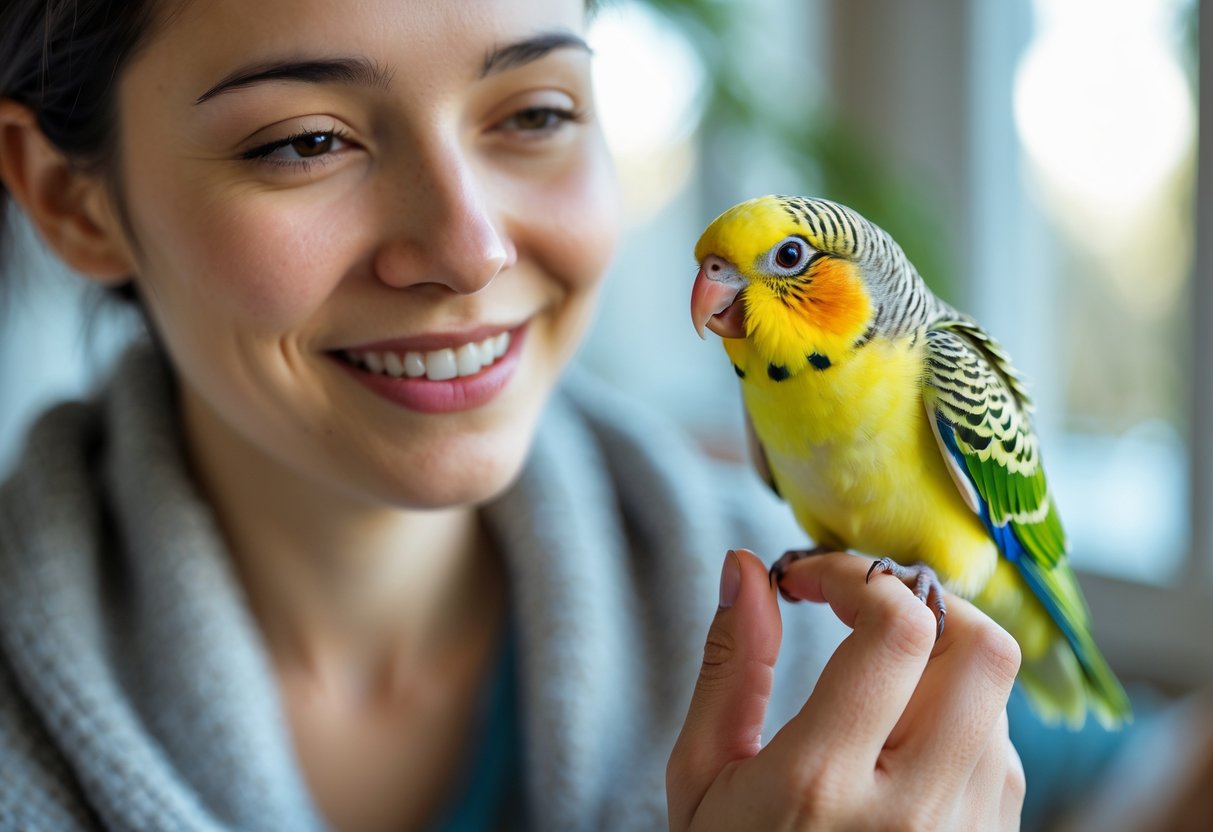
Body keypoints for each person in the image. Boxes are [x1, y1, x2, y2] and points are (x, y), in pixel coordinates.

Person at [0, 0, 1025, 829]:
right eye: (306, 141)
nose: (470, 248)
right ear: (70, 202)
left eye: (534, 114)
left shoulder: (843, 647)